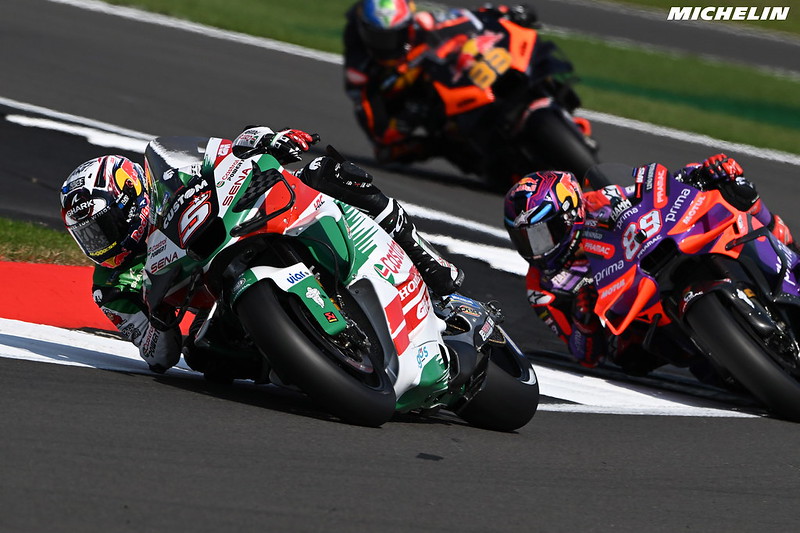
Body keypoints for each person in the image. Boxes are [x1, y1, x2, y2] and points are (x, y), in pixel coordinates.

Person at [59, 126, 463, 375]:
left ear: (134, 200)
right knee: (204, 358)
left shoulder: (172, 175)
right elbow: (159, 355)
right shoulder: (110, 288)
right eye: (90, 236)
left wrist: (267, 140)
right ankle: (300, 366)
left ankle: (428, 263)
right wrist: (159, 323)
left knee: (328, 173)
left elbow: (227, 152)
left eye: (104, 227)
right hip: (218, 303)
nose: (103, 244)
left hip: (244, 230)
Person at [503, 154, 796, 376]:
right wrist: (583, 317)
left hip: (660, 251)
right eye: (525, 239)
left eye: (540, 234)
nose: (535, 249)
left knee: (738, 192)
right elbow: (584, 355)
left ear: (568, 215)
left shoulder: (599, 200)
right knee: (629, 355)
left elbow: (661, 188)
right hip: (637, 320)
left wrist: (704, 172)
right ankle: (722, 354)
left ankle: (789, 256)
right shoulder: (542, 287)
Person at [343, 0, 544, 179]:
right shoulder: (361, 69)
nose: (389, 44)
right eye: (381, 37)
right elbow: (380, 138)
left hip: (464, 79)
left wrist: (505, 12)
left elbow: (469, 18)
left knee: (533, 61)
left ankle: (546, 93)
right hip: (434, 112)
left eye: (396, 34)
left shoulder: (424, 24)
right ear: (364, 32)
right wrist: (404, 122)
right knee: (399, 150)